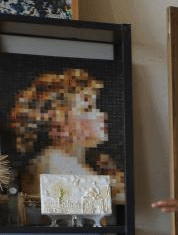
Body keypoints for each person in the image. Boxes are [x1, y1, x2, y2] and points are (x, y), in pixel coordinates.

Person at [8, 68, 125, 204]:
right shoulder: (58, 163)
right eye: (88, 109)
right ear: (58, 123)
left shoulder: (67, 161)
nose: (102, 115)